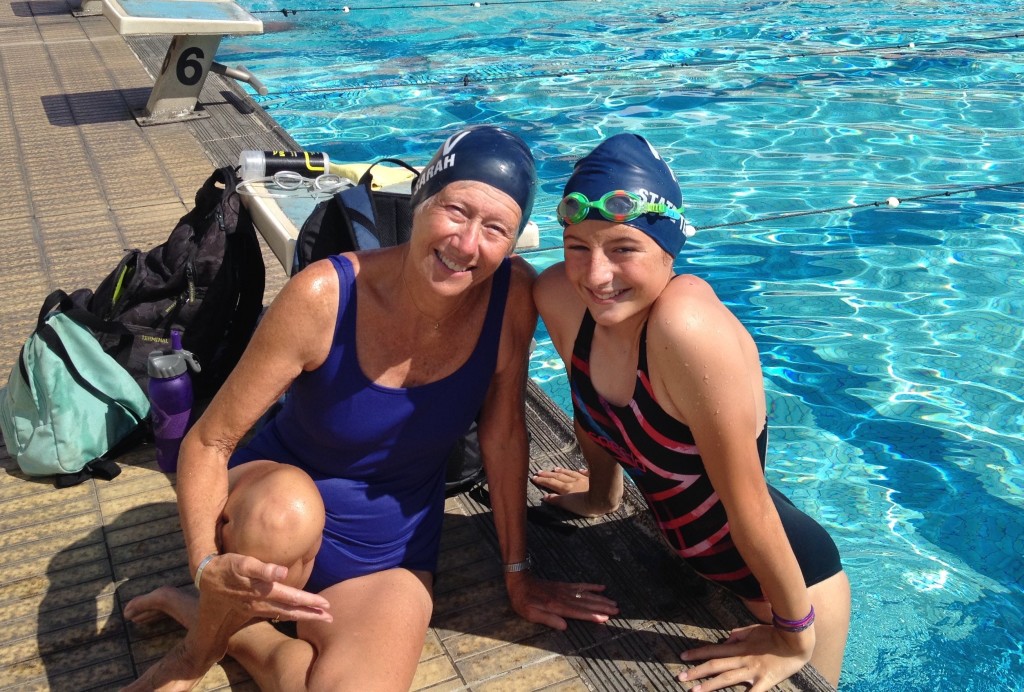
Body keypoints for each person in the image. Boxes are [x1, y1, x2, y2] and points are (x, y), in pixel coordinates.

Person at [122, 124, 619, 692]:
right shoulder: (326, 296)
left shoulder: (510, 300)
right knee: (287, 513)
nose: (466, 244)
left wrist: (518, 573)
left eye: (495, 228)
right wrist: (207, 565)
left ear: (512, 242)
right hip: (275, 505)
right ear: (421, 201)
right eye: (455, 211)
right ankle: (198, 646)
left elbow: (504, 436)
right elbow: (208, 443)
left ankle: (241, 634)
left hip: (390, 547)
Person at [531, 133, 851, 691]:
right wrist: (601, 496)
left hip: (786, 589)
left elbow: (748, 503)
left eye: (623, 248)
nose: (595, 274)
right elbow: (590, 414)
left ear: (668, 248)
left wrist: (794, 635)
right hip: (692, 560)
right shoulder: (562, 297)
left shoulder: (687, 331)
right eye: (577, 245)